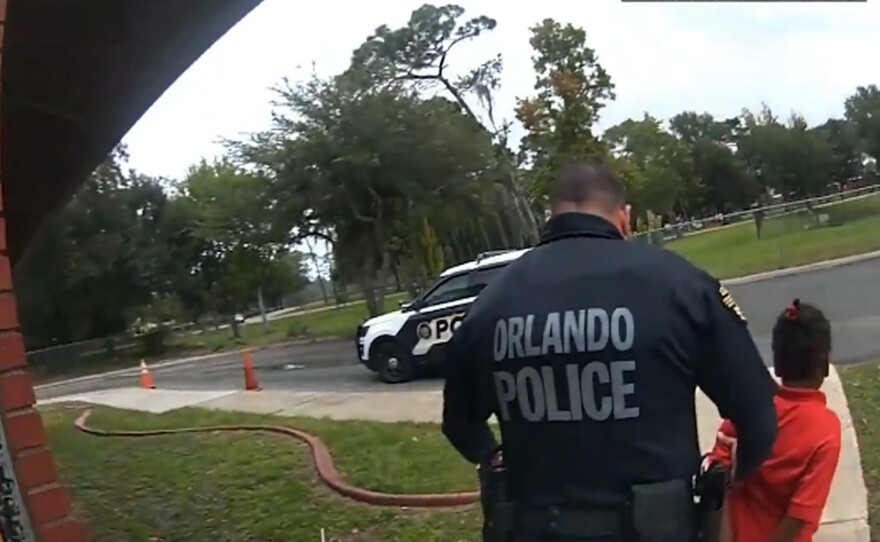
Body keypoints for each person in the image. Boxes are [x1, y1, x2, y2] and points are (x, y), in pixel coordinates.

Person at [441, 161, 778, 542]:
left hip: (534, 528)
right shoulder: (681, 286)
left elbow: (459, 423)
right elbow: (759, 418)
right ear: (625, 217)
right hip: (657, 529)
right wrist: (735, 478)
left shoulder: (490, 304)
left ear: (551, 214)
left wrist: (491, 453)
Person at [709, 299, 841, 542]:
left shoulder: (749, 406)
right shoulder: (826, 431)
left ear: (777, 364)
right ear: (823, 364)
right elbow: (799, 516)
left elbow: (717, 483)